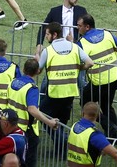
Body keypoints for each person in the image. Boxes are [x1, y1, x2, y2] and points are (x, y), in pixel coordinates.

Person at [37, 22, 94, 157]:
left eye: (47, 34)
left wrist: (37, 58)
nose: (46, 37)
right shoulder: (74, 47)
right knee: (61, 121)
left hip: (54, 92)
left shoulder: (48, 51)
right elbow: (90, 63)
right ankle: (61, 152)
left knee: (45, 119)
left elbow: (38, 70)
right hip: (70, 91)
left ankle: (64, 144)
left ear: (54, 35)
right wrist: (78, 68)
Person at [76, 14, 117, 139]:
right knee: (107, 106)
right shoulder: (107, 34)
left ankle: (108, 125)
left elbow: (79, 61)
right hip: (114, 78)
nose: (77, 28)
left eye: (79, 26)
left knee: (85, 103)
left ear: (87, 27)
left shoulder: (82, 43)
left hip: (98, 82)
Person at [7, 58, 60, 167]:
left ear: (23, 69)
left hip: (11, 126)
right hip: (26, 130)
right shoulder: (32, 88)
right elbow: (32, 109)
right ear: (38, 71)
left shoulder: (13, 82)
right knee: (28, 161)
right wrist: (49, 122)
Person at [66, 102, 117, 167]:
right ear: (98, 115)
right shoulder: (94, 135)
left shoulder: (75, 125)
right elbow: (116, 154)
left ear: (82, 113)